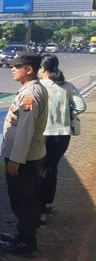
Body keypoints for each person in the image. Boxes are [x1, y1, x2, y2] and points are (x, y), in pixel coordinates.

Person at [0, 52, 48, 257]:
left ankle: (26, 243)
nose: (12, 69)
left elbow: (25, 129)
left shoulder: (30, 94)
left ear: (29, 69)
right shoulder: (29, 90)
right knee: (25, 199)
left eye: (17, 66)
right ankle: (23, 236)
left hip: (25, 159)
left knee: (23, 201)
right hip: (29, 155)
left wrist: (16, 159)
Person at [37, 54, 86, 224]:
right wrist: (66, 115)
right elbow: (81, 106)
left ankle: (40, 210)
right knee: (52, 169)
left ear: (42, 69)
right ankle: (49, 204)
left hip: (43, 134)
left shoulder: (38, 86)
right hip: (62, 136)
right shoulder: (67, 86)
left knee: (40, 171)